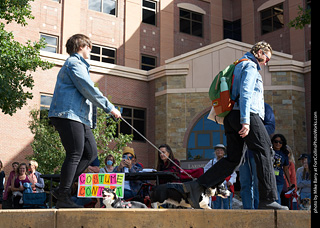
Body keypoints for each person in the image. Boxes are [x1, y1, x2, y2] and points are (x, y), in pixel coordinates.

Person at [182, 41, 288, 210]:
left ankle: (197, 186)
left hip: (231, 116)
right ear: (259, 52)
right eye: (266, 58)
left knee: (233, 159)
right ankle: (268, 200)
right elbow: (246, 92)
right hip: (246, 114)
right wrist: (246, 120)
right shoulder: (251, 66)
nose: (266, 63)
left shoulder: (238, 65)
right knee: (265, 150)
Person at [48, 34, 121, 208]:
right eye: (89, 47)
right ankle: (64, 195)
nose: (90, 50)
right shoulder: (74, 63)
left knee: (90, 153)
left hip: (80, 118)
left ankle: (61, 190)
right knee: (75, 153)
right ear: (81, 46)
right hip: (67, 114)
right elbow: (88, 88)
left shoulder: (80, 65)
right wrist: (109, 107)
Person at [239, 102, 275, 209]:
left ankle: (259, 210)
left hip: (258, 152)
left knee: (258, 184)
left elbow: (271, 126)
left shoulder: (264, 107)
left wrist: (252, 131)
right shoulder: (240, 106)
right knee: (245, 184)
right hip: (243, 154)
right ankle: (247, 211)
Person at [203, 144, 236, 209]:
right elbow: (205, 170)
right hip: (216, 187)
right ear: (215, 152)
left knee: (227, 205)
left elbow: (233, 174)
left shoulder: (227, 162)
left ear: (224, 152)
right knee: (216, 205)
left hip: (226, 187)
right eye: (217, 150)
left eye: (221, 150)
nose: (219, 152)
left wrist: (230, 181)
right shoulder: (212, 162)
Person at [271, 134, 292, 205]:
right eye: (276, 141)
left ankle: (279, 213)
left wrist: (289, 182)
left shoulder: (284, 154)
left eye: (280, 142)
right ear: (272, 142)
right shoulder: (268, 151)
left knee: (277, 197)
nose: (278, 144)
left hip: (279, 179)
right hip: (269, 178)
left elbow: (286, 169)